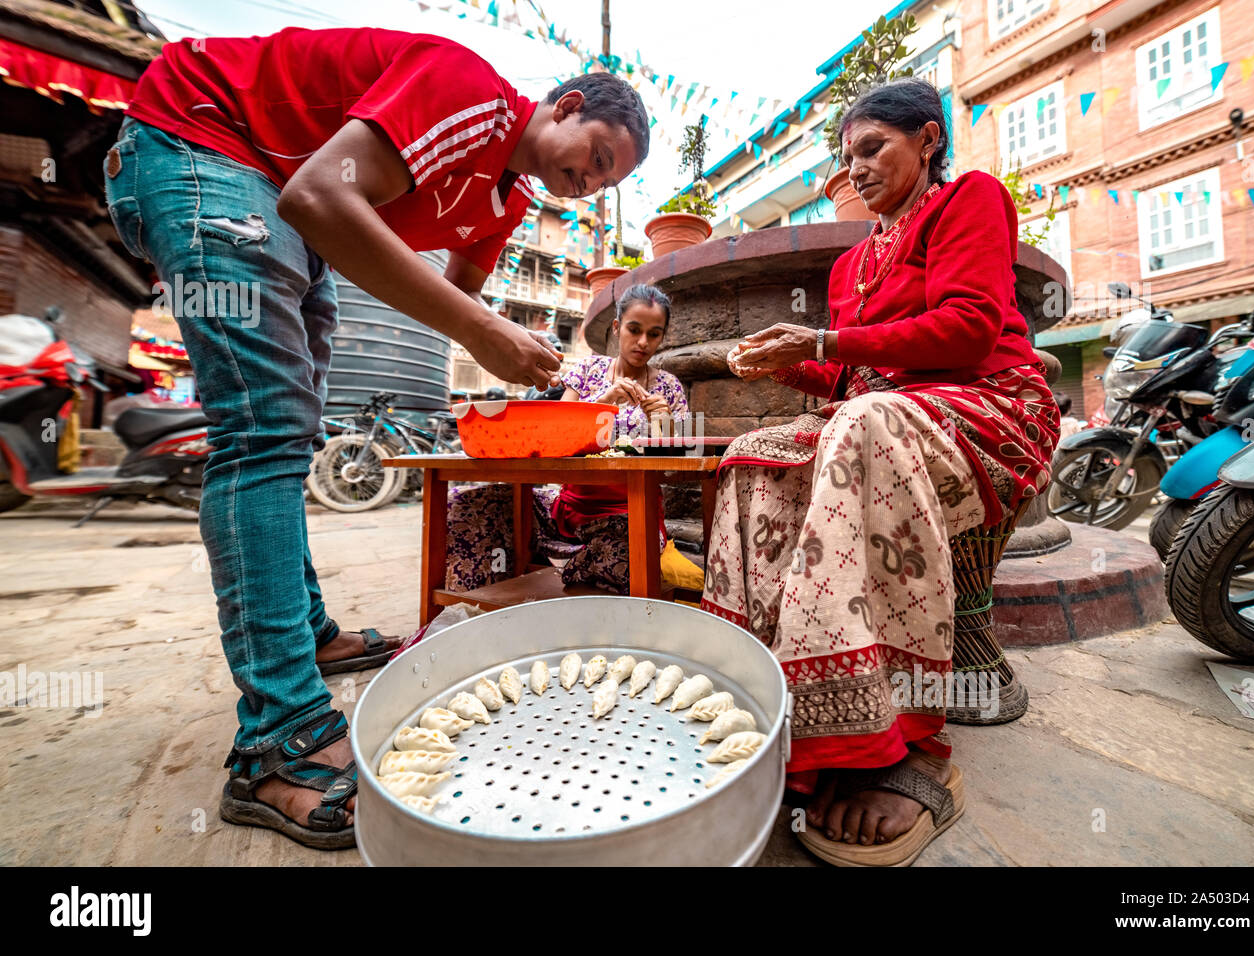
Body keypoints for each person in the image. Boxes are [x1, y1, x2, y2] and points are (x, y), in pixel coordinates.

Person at [103, 26, 649, 850]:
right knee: (263, 432)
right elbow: (320, 197)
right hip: (205, 139)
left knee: (291, 424)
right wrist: (488, 335)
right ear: (567, 107)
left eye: (608, 183)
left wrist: (523, 361)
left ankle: (306, 636)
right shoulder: (471, 91)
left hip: (277, 192)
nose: (592, 184)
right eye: (599, 156)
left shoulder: (505, 203)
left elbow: (462, 302)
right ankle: (277, 743)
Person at [708, 77, 1059, 866]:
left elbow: (970, 331)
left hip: (992, 406)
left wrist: (823, 346)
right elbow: (845, 381)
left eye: (873, 148)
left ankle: (905, 743)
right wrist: (780, 366)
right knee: (752, 453)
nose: (856, 169)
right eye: (846, 157)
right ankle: (800, 717)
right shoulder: (849, 267)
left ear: (928, 139)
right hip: (886, 419)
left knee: (868, 425)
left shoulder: (969, 198)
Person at [447, 284, 687, 593]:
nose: (643, 342)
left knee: (631, 555)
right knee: (470, 504)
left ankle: (563, 576)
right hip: (567, 510)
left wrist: (664, 425)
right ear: (617, 328)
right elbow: (554, 437)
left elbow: (680, 463)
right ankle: (471, 607)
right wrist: (604, 400)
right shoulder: (588, 369)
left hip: (632, 514)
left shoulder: (669, 387)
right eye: (634, 329)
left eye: (654, 334)